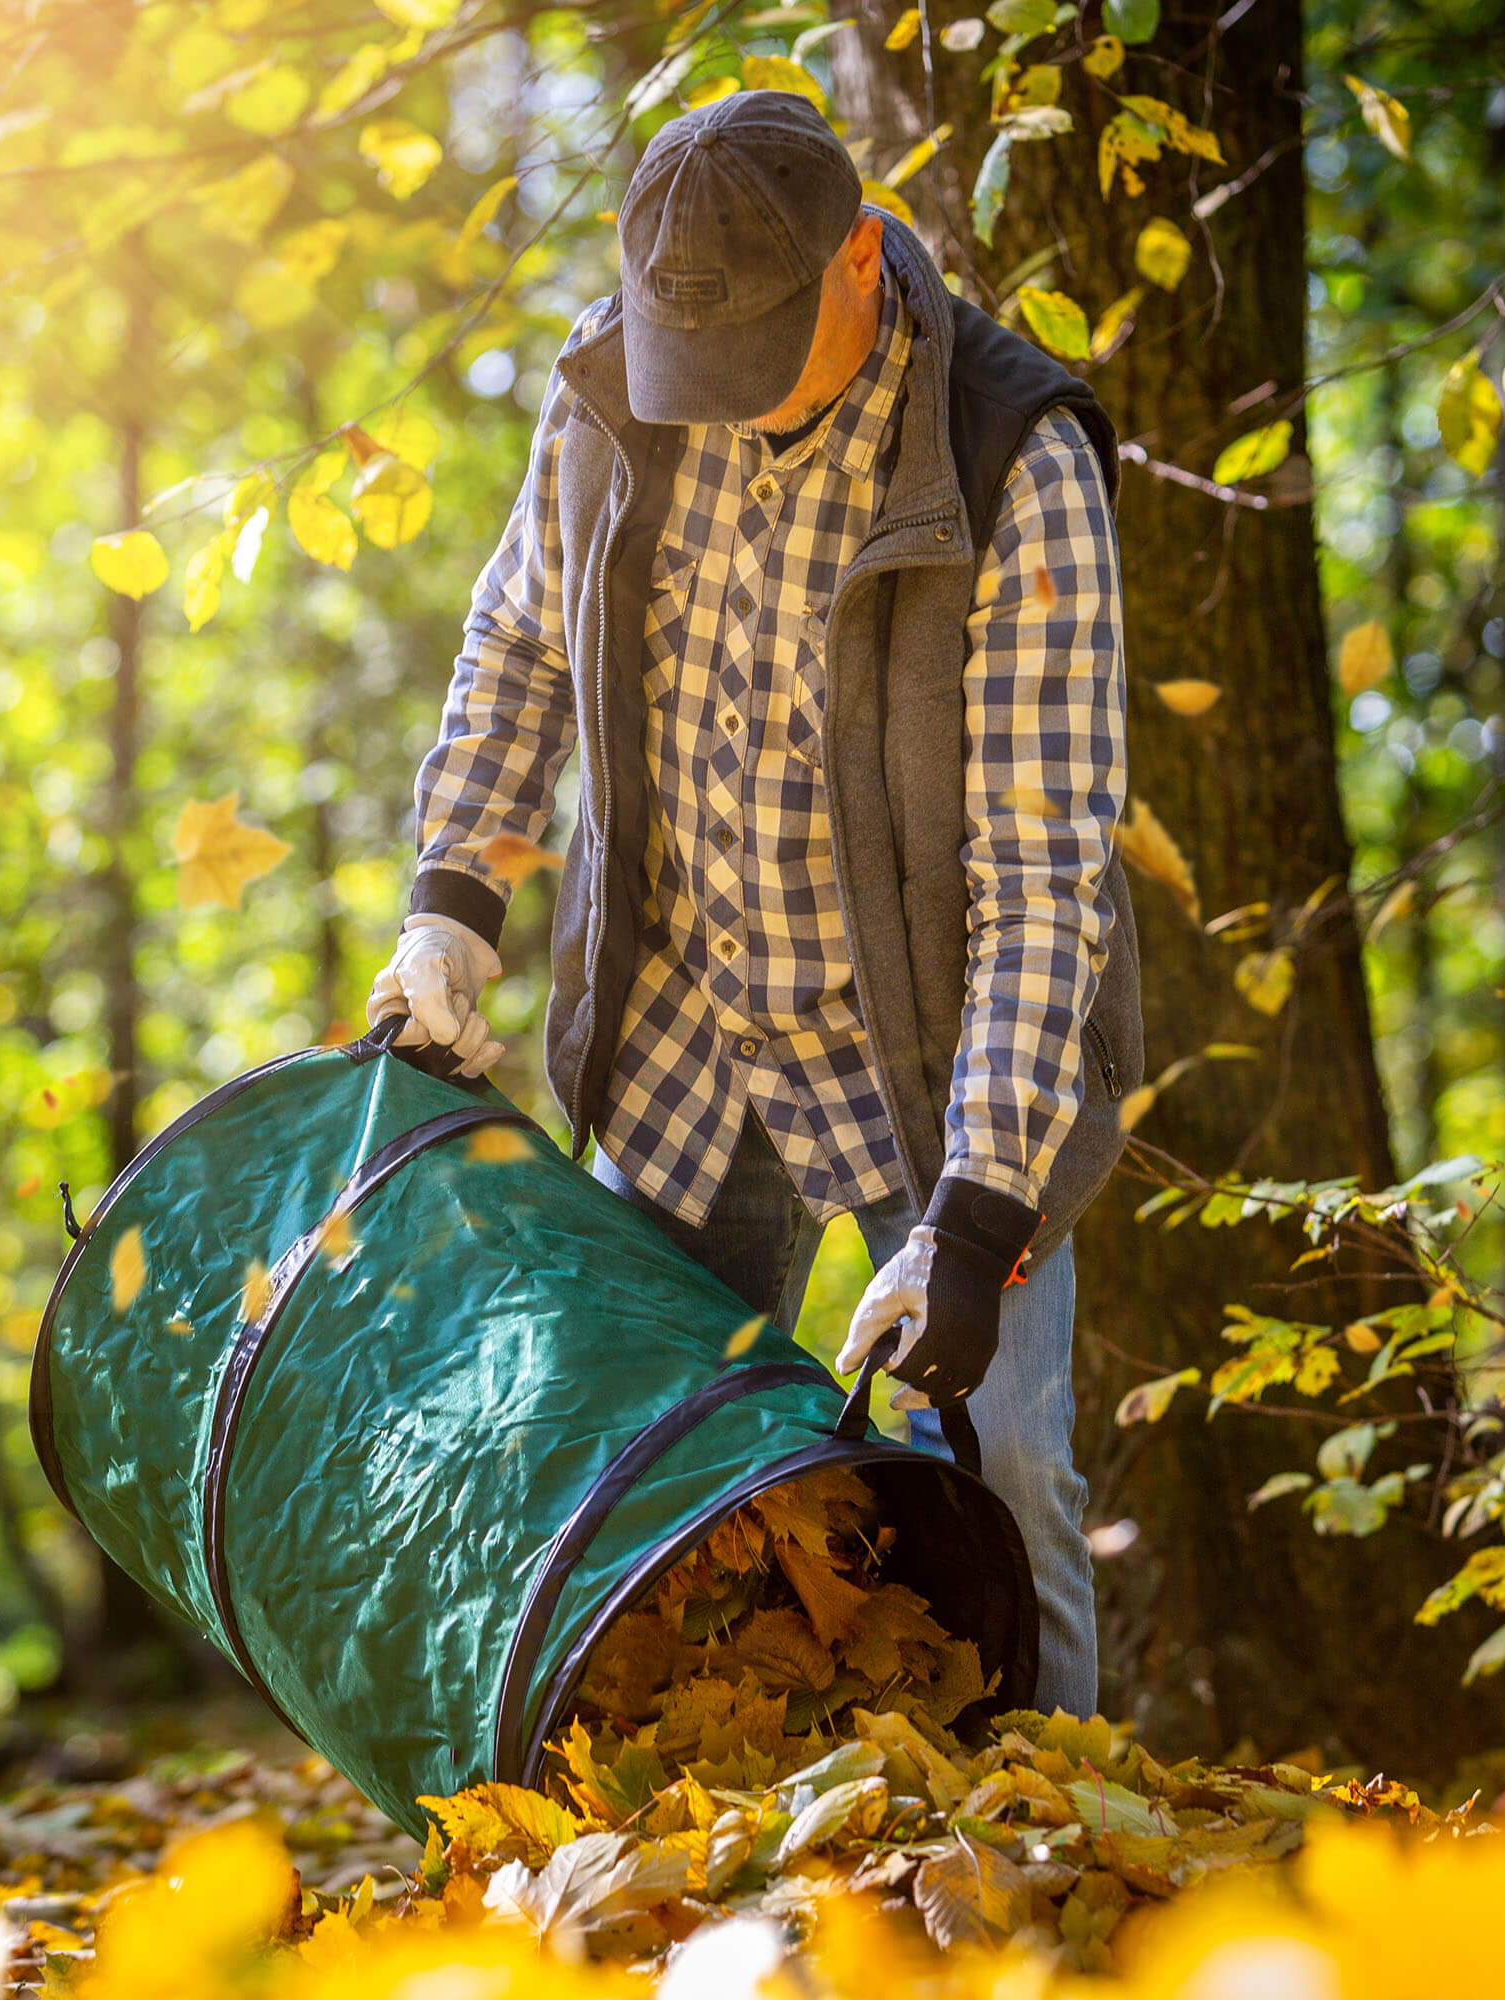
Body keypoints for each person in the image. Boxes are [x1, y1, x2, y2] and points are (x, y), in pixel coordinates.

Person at [367, 88, 1143, 1716]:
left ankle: (1072, 1874)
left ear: (861, 261)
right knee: (638, 1503)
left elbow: (1040, 870)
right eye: (681, 361)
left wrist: (979, 1210)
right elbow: (517, 649)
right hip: (680, 1048)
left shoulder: (1015, 460)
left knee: (1000, 1489)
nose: (708, 405)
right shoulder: (609, 389)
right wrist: (453, 898)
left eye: (753, 358)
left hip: (929, 1080)